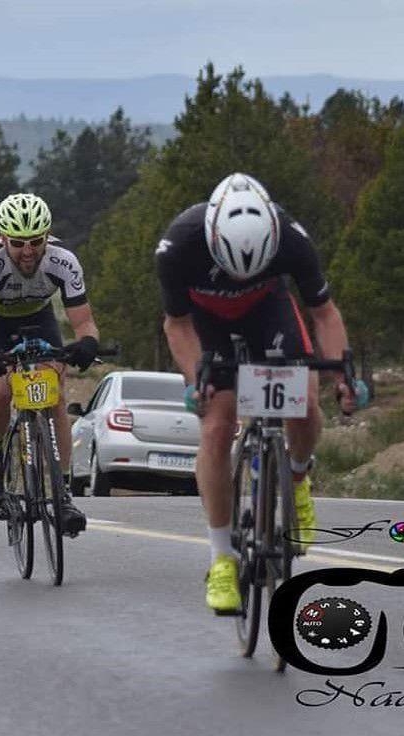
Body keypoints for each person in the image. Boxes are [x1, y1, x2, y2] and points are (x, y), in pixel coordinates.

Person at [155, 172, 367, 613]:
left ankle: (297, 477)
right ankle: (222, 560)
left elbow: (324, 314)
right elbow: (176, 325)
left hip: (268, 311)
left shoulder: (292, 238)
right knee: (217, 427)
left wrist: (342, 375)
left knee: (306, 405)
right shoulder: (179, 244)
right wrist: (197, 380)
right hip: (207, 322)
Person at [0, 193, 100, 536]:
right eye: (18, 243)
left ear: (47, 237)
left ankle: (62, 492)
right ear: (3, 239)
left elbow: (84, 322)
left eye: (36, 242)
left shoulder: (63, 261)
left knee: (55, 396)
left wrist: (87, 343)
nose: (28, 251)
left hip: (38, 316)